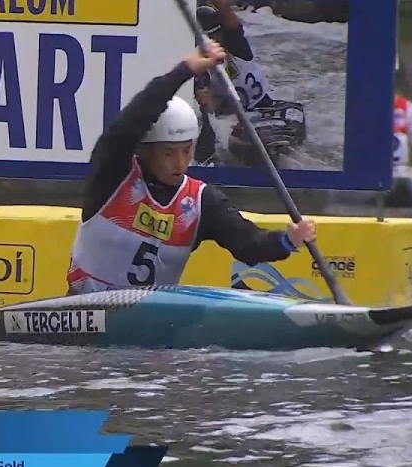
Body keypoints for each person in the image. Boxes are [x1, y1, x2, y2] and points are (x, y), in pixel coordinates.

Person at [65, 42, 317, 296]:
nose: (180, 163)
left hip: (145, 324)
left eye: (186, 151)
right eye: (168, 153)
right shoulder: (113, 178)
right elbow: (128, 124)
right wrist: (185, 70)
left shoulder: (199, 202)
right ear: (144, 150)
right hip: (84, 314)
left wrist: (287, 240)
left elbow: (248, 243)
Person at [193, 0, 307, 167]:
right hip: (233, 122)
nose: (215, 42)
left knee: (293, 114)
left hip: (265, 109)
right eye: (209, 39)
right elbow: (209, 113)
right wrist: (205, 102)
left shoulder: (237, 47)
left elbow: (227, 14)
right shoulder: (198, 69)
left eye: (217, 36)